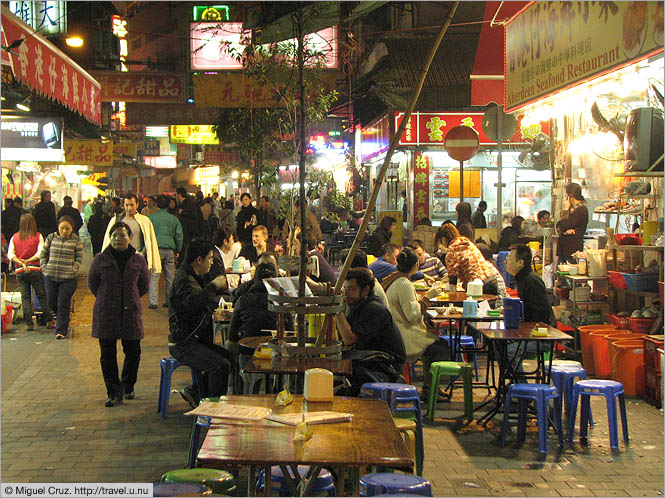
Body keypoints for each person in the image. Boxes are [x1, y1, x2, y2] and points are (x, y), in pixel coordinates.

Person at [88, 222, 150, 407]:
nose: (118, 239)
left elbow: (143, 286)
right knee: (107, 354)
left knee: (133, 352)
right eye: (114, 235)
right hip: (106, 312)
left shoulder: (138, 260)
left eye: (122, 235)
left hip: (130, 312)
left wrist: (129, 297)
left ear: (130, 238)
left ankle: (128, 386)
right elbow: (93, 284)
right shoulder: (100, 259)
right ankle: (113, 392)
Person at [168, 238, 234, 406]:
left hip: (194, 338)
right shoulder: (185, 279)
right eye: (210, 258)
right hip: (184, 343)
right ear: (199, 260)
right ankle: (211, 409)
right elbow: (195, 302)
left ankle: (196, 391)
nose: (212, 262)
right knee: (220, 366)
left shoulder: (194, 275)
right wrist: (213, 285)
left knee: (230, 358)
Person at [382, 248, 448, 399]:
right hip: (404, 336)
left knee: (438, 345)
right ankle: (431, 391)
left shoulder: (394, 279)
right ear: (416, 265)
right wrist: (427, 297)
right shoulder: (403, 283)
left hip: (397, 332)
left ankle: (430, 388)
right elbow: (412, 316)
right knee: (441, 348)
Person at [334, 268, 406, 395]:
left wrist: (337, 310)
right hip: (368, 360)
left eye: (352, 289)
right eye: (345, 289)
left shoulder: (374, 309)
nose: (346, 294)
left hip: (386, 367)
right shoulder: (358, 305)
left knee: (339, 387)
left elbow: (349, 338)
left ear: (366, 290)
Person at [227, 261, 293, 391]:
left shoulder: (242, 300)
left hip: (248, 356)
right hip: (276, 357)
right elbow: (291, 333)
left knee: (230, 346)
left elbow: (231, 336)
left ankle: (236, 388)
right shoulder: (282, 302)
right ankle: (282, 390)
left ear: (254, 279)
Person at [504, 244, 555, 378]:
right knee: (497, 344)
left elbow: (540, 316)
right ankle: (513, 388)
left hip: (542, 336)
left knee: (510, 352)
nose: (506, 261)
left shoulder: (531, 281)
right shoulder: (522, 279)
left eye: (509, 258)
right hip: (527, 333)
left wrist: (519, 328)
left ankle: (523, 393)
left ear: (520, 263)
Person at [8, 214, 54, 330]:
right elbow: (40, 252)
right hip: (35, 269)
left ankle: (29, 323)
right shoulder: (38, 236)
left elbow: (11, 254)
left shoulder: (15, 237)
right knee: (41, 295)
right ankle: (48, 320)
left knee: (25, 297)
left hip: (19, 270)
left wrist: (22, 262)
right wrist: (29, 261)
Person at [40, 216, 83, 339]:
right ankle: (63, 319)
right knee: (52, 301)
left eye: (67, 229)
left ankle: (61, 330)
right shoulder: (51, 238)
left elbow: (79, 257)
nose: (64, 231)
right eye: (62, 228)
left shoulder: (76, 240)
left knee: (63, 303)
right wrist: (44, 267)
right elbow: (43, 254)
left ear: (72, 229)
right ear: (58, 227)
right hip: (51, 276)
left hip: (68, 279)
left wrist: (73, 269)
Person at [102, 193, 161, 274]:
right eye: (127, 205)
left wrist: (143, 256)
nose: (129, 208)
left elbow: (149, 241)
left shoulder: (144, 221)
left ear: (137, 205)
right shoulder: (115, 220)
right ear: (123, 205)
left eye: (132, 205)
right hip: (119, 260)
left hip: (137, 261)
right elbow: (108, 240)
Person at [437, 223, 500, 296]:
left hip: (477, 286)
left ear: (443, 238)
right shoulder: (467, 243)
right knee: (486, 307)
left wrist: (451, 295)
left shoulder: (452, 249)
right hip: (491, 281)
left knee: (475, 306)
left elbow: (452, 278)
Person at [148, 195, 184, 309]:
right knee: (170, 277)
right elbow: (179, 236)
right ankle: (169, 300)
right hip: (170, 250)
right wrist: (178, 249)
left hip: (156, 249)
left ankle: (153, 302)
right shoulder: (174, 219)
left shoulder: (151, 218)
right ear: (169, 205)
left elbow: (148, 235)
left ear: (156, 205)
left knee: (155, 275)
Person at [556, 183, 588, 264]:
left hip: (572, 250)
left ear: (570, 195)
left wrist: (565, 211)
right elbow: (559, 226)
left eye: (566, 194)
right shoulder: (572, 208)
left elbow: (564, 225)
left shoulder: (581, 210)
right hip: (564, 248)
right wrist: (565, 230)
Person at [176, 187, 204, 256]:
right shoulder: (190, 203)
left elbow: (193, 215)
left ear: (179, 195)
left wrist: (182, 212)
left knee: (187, 252)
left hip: (188, 232)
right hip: (190, 232)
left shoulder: (187, 204)